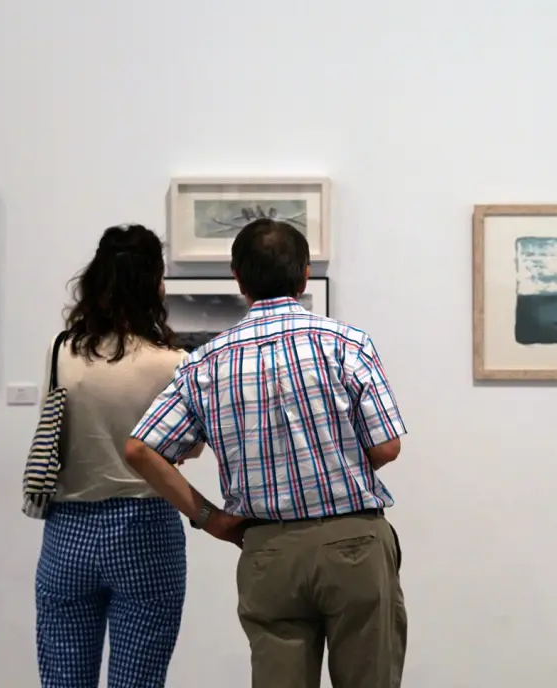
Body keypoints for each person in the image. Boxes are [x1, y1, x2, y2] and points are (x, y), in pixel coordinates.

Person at [123, 218, 409, 688]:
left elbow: (140, 449)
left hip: (267, 549)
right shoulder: (346, 344)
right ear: (304, 275)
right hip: (354, 542)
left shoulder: (205, 363)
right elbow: (387, 445)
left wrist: (211, 519)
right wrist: (337, 461)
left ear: (239, 279)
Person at [34, 224, 200, 688]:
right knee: (139, 681)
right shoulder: (174, 363)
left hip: (68, 532)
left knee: (64, 680)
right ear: (155, 284)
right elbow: (190, 447)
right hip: (146, 529)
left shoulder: (61, 350)